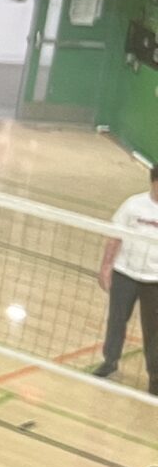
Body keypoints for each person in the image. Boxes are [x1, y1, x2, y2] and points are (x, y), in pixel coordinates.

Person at [92, 163, 158, 391]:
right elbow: (115, 237)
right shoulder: (133, 205)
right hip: (125, 274)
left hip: (154, 280)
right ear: (153, 182)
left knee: (154, 331)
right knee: (117, 320)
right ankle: (110, 361)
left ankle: (155, 377)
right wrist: (106, 267)